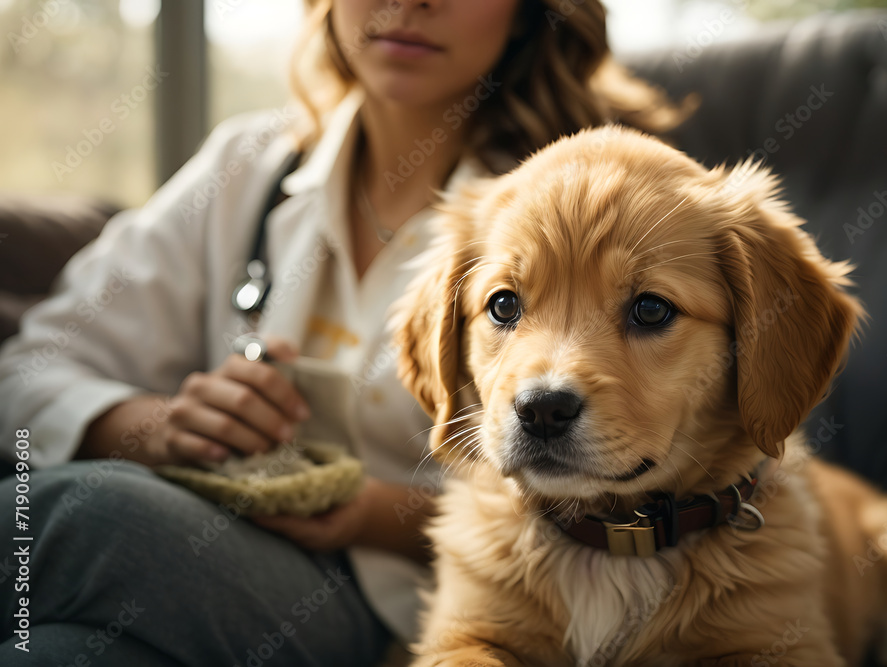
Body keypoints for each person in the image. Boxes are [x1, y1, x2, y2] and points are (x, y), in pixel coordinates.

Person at [0, 1, 681, 664]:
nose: (411, 3)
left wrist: (371, 511)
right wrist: (160, 425)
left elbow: (661, 482)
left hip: (437, 608)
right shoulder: (247, 166)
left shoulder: (595, 201)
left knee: (75, 516)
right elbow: (25, 373)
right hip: (197, 560)